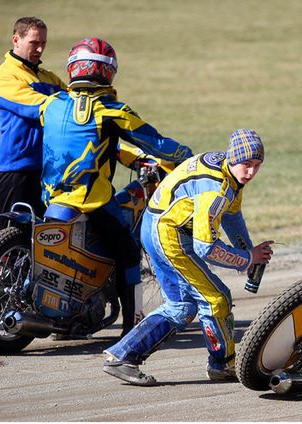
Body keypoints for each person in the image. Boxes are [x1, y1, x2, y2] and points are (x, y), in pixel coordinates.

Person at [39, 38, 193, 337]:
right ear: (107, 71)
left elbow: (86, 143)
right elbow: (156, 143)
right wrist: (189, 157)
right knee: (127, 250)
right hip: (89, 201)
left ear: (73, 67)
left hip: (51, 196)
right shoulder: (112, 110)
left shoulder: (51, 103)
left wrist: (129, 158)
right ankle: (133, 325)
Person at [102, 129, 274, 386]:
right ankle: (222, 364)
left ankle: (122, 357)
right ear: (234, 158)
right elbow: (207, 248)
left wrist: (249, 251)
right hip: (169, 234)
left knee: (182, 306)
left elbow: (232, 216)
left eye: (257, 166)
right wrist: (247, 258)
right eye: (246, 164)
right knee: (216, 298)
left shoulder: (228, 172)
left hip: (159, 225)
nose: (251, 172)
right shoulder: (216, 190)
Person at [0, 17, 66, 231]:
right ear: (16, 39)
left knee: (43, 234)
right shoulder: (3, 78)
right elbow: (40, 106)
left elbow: (75, 105)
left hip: (48, 168)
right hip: (17, 168)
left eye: (43, 43)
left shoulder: (48, 77)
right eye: (34, 43)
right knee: (11, 234)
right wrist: (69, 105)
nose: (40, 49)